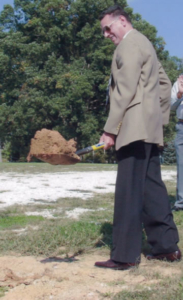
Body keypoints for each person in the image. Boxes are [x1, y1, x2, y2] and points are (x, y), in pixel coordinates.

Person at [95, 5, 181, 271]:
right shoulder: (146, 44)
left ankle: (124, 256)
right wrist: (157, 118)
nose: (106, 34)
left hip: (133, 129)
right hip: (148, 129)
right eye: (103, 31)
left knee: (129, 191)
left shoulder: (129, 45)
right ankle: (166, 248)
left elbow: (125, 88)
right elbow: (165, 85)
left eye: (108, 28)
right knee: (151, 189)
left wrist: (110, 129)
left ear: (122, 21)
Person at [171, 74, 183, 211]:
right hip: (181, 127)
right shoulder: (179, 81)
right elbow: (171, 107)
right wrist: (180, 93)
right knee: (181, 165)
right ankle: (181, 203)